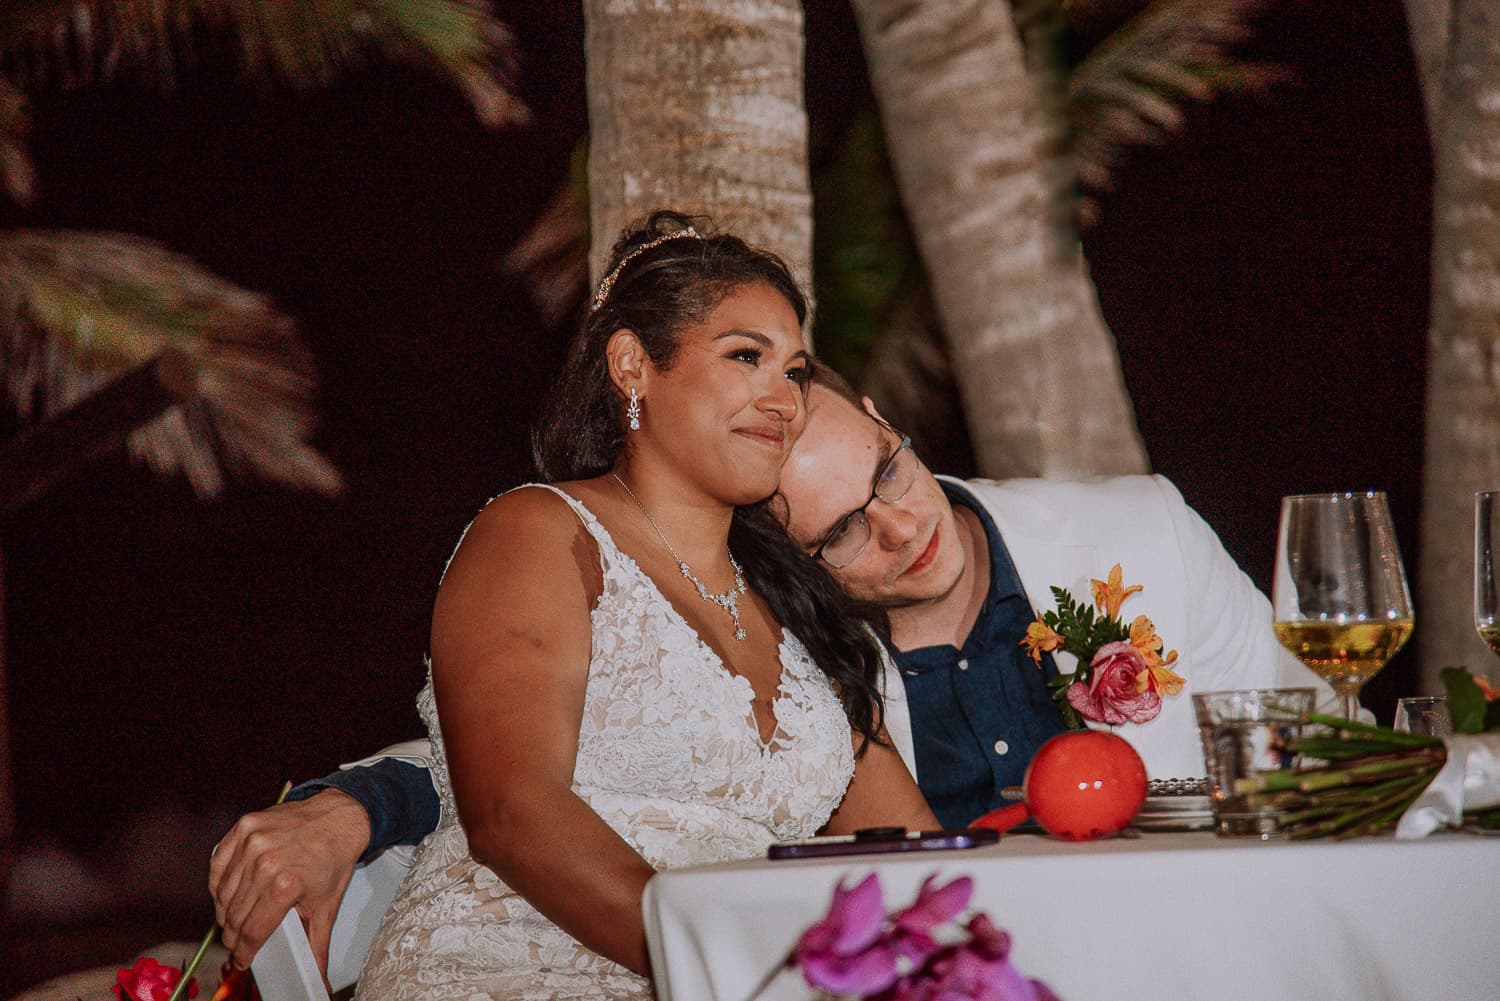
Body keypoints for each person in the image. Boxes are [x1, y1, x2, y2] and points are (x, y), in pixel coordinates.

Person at [213, 349, 1337, 976]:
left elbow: (1317, 736)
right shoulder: (792, 659)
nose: (900, 529)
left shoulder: (1139, 532)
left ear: (894, 421)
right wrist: (355, 803)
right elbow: (581, 748)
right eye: (840, 531)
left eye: (887, 474)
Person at [229, 210, 939, 1001]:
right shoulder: (539, 533)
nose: (783, 399)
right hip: (518, 969)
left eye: (796, 372)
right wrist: (724, 967)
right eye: (747, 356)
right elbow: (511, 811)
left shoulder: (801, 616)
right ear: (633, 364)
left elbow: (915, 858)